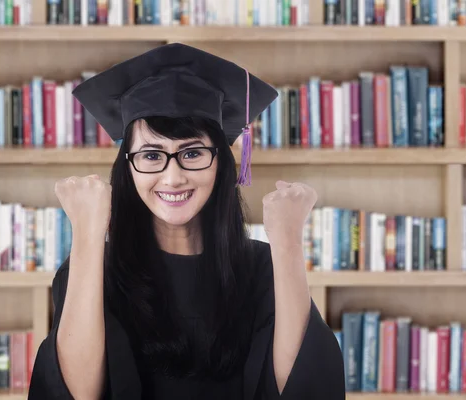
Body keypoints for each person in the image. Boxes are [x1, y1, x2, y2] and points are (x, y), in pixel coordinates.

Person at [27, 43, 345, 400]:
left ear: (221, 163)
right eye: (151, 155)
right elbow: (75, 395)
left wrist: (287, 243)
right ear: (127, 166)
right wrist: (87, 234)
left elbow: (307, 390)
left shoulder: (262, 269)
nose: (173, 177)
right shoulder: (93, 270)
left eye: (192, 153)